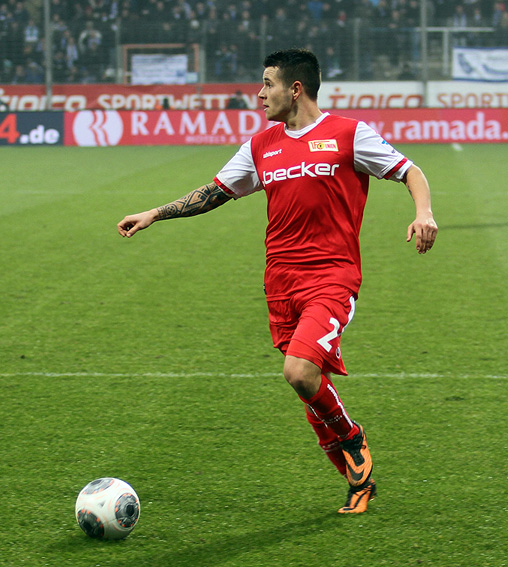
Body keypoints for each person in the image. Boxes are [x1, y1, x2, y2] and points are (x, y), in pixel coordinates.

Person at [117, 48, 438, 514]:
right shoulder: (260, 146)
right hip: (280, 283)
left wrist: (424, 213)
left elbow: (410, 171)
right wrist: (155, 213)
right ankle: (355, 477)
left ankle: (352, 439)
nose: (260, 93)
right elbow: (215, 192)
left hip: (332, 277)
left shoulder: (348, 134)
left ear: (295, 89)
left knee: (299, 371)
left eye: (268, 83)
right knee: (306, 383)